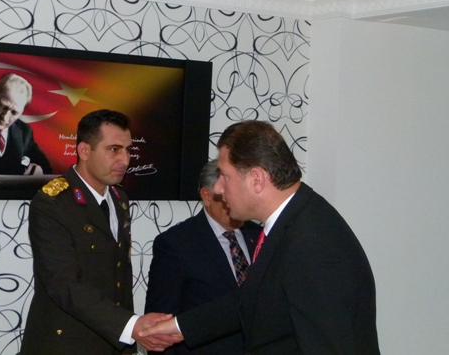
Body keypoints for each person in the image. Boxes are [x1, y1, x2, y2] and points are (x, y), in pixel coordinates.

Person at [139, 120, 380, 354]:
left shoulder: (313, 243)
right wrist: (178, 327)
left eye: (225, 176)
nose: (219, 188)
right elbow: (251, 298)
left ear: (256, 179)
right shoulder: (290, 222)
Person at [21, 109, 179, 354]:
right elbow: (64, 285)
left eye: (128, 150)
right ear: (84, 151)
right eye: (114, 149)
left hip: (113, 340)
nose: (124, 160)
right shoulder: (52, 203)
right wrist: (131, 326)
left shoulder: (119, 198)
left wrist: (128, 337)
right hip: (67, 344)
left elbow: (120, 277)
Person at [144, 159, 262, 354]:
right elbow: (161, 324)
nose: (240, 201)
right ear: (207, 196)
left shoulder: (260, 235)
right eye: (230, 194)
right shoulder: (176, 244)